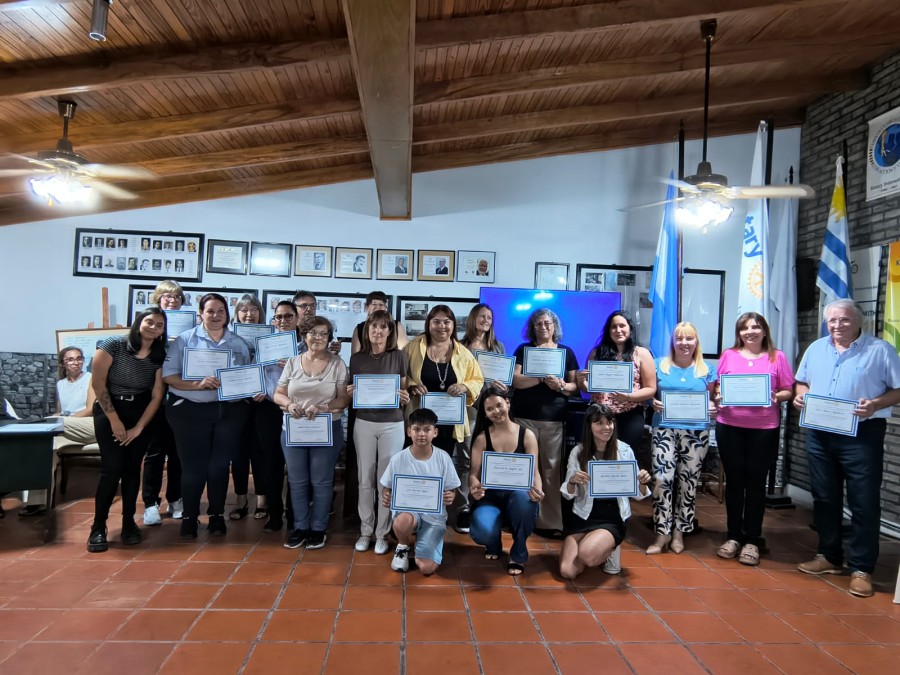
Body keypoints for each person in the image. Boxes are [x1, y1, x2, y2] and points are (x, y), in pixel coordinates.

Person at [793, 299, 900, 598]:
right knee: (825, 497)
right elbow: (801, 382)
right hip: (820, 433)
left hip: (862, 435)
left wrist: (876, 404)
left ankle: (862, 568)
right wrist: (801, 397)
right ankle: (828, 556)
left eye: (844, 320)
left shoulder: (880, 350)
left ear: (858, 321)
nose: (837, 325)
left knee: (863, 500)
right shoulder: (816, 349)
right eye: (832, 321)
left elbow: (898, 389)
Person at [162, 293, 254, 539]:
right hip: (190, 411)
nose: (215, 316)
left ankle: (216, 516)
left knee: (220, 467)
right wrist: (196, 385)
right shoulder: (184, 340)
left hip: (229, 412)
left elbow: (246, 376)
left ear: (227, 314)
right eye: (210, 311)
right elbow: (168, 376)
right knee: (193, 468)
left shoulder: (238, 342)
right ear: (201, 313)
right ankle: (190, 518)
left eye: (221, 311)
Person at [714, 312, 794, 566]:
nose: (750, 331)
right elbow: (718, 386)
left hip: (764, 428)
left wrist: (775, 397)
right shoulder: (729, 355)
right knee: (735, 481)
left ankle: (752, 539)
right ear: (739, 333)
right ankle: (733, 536)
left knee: (756, 482)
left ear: (764, 331)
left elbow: (788, 390)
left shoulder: (776, 357)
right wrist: (717, 396)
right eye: (745, 328)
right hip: (729, 425)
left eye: (755, 327)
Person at [87, 309, 168, 553]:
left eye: (160, 325)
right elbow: (98, 384)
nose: (153, 327)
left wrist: (139, 427)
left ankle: (128, 522)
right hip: (110, 409)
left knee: (133, 469)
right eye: (149, 322)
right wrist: (114, 420)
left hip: (142, 412)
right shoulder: (113, 345)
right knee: (112, 469)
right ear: (138, 323)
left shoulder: (159, 354)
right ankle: (98, 526)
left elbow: (156, 395)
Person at [405, 305, 484, 533]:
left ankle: (438, 515)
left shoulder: (462, 352)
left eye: (446, 322)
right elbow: (403, 375)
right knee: (419, 467)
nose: (442, 326)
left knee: (442, 466)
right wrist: (411, 384)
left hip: (449, 423)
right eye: (436, 321)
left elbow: (477, 379)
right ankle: (416, 516)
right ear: (428, 324)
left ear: (453, 325)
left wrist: (464, 386)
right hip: (420, 423)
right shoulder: (413, 347)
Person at [273, 316, 349, 550]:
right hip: (294, 429)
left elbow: (344, 398)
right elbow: (278, 393)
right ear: (304, 335)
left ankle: (318, 529)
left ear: (329, 338)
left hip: (326, 429)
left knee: (322, 481)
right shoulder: (293, 362)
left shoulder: (337, 363)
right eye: (313, 333)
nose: (318, 338)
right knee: (297, 481)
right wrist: (289, 405)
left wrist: (325, 406)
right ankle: (300, 527)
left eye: (324, 334)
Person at [559, 404, 652, 579]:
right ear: (589, 426)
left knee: (586, 555)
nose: (606, 427)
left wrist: (642, 482)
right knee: (567, 572)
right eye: (599, 423)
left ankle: (610, 547)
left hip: (612, 517)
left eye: (609, 422)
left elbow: (638, 494)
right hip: (583, 515)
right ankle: (593, 543)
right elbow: (568, 493)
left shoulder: (624, 450)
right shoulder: (578, 452)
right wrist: (572, 481)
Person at [648, 322, 716, 555]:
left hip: (696, 432)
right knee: (661, 479)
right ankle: (661, 532)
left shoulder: (707, 370)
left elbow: (712, 400)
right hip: (664, 429)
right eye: (680, 338)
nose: (684, 343)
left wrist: (713, 407)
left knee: (688, 483)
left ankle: (679, 531)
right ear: (673, 342)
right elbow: (648, 392)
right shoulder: (659, 366)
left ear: (696, 342)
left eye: (689, 338)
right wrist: (652, 403)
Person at [511, 308, 579, 537]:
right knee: (524, 470)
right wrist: (540, 377)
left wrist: (559, 385)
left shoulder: (566, 352)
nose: (543, 327)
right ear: (532, 327)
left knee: (551, 471)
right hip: (523, 418)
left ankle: (550, 523)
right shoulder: (523, 350)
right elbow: (516, 381)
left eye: (547, 323)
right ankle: (522, 519)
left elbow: (574, 387)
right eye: (538, 324)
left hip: (553, 420)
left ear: (555, 326)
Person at [348, 310, 410, 554]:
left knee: (386, 480)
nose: (377, 331)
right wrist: (351, 392)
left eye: (383, 327)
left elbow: (403, 390)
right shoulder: (356, 359)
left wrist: (404, 396)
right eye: (373, 327)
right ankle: (365, 530)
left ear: (389, 331)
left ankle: (382, 533)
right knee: (365, 479)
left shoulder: (400, 356)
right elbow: (350, 391)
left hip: (392, 424)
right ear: (367, 330)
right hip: (364, 421)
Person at [468, 386, 543, 575]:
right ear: (484, 413)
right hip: (489, 497)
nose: (496, 411)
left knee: (524, 501)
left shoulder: (527, 435)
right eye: (490, 409)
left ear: (508, 403)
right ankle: (492, 542)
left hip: (517, 495)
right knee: (483, 531)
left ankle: (518, 552)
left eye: (499, 405)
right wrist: (474, 487)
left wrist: (537, 491)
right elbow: (473, 474)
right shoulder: (482, 438)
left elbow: (534, 472)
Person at [379, 408, 461, 575]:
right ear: (409, 431)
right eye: (416, 429)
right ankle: (402, 546)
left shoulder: (443, 457)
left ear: (435, 432)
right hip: (408, 512)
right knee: (402, 520)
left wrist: (451, 495)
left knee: (426, 567)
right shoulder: (399, 458)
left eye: (427, 429)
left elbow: (452, 489)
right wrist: (386, 495)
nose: (421, 434)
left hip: (433, 516)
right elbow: (387, 487)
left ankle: (428, 542)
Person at [21, 347, 97, 516]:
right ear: (63, 363)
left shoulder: (91, 378)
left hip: (87, 426)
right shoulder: (60, 384)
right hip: (66, 428)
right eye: (70, 359)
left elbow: (90, 409)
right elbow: (60, 411)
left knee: (44, 427)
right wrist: (52, 418)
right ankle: (37, 502)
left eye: (79, 358)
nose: (76, 362)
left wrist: (56, 421)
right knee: (44, 447)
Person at [576, 311, 656, 467]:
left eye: (622, 326)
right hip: (599, 416)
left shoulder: (642, 353)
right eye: (614, 327)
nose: (618, 330)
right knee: (597, 458)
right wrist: (581, 381)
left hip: (630, 416)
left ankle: (624, 491)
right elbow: (587, 389)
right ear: (608, 330)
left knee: (626, 459)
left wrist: (629, 397)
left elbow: (650, 389)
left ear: (630, 329)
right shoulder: (596, 353)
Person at [141, 281, 186, 527]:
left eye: (177, 297)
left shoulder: (189, 332)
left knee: (178, 454)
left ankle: (176, 499)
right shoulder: (149, 331)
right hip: (153, 403)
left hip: (181, 400)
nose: (172, 300)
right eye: (167, 296)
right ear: (158, 299)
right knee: (155, 454)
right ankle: (150, 503)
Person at [257, 300, 302, 532]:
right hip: (268, 408)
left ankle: (295, 515)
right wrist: (254, 388)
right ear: (274, 320)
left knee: (295, 466)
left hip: (296, 411)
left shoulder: (306, 347)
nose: (283, 321)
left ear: (297, 319)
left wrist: (295, 367)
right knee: (272, 463)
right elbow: (254, 373)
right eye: (279, 317)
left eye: (288, 316)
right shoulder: (264, 346)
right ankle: (274, 514)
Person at [229, 294, 268, 521]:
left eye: (253, 309)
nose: (249, 314)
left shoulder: (270, 336)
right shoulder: (229, 337)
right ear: (237, 314)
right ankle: (241, 498)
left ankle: (262, 498)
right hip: (237, 402)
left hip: (263, 402)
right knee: (239, 453)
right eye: (244, 309)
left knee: (260, 451)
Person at [293, 290, 341, 355]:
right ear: (294, 308)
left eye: (312, 305)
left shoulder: (324, 327)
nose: (309, 309)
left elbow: (330, 353)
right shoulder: (289, 329)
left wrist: (334, 351)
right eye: (304, 306)